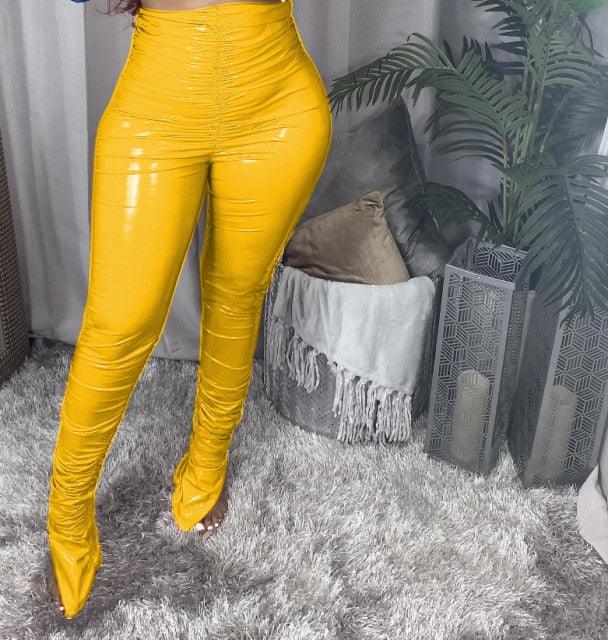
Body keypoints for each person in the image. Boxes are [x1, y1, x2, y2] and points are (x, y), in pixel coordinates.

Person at [47, 0, 332, 619]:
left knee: (236, 294)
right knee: (119, 321)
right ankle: (66, 516)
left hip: (277, 99)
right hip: (158, 96)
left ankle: (206, 467)